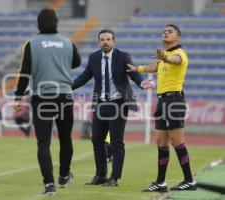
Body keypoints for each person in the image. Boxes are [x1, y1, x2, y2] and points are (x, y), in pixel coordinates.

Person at [72, 29, 154, 187]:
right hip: (101, 104)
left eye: (108, 39)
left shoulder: (123, 56)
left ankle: (114, 178)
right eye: (102, 39)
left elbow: (133, 73)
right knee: (96, 140)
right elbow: (84, 76)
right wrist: (68, 87)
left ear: (113, 41)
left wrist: (143, 83)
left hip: (118, 104)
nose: (105, 42)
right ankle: (101, 175)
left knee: (116, 142)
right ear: (99, 42)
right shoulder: (94, 57)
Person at [14, 8, 81, 195]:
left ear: (38, 23)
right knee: (65, 138)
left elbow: (25, 72)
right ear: (56, 22)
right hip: (64, 96)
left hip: (42, 97)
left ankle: (49, 184)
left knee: (43, 143)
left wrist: (18, 96)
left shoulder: (32, 44)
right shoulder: (68, 42)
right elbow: (76, 62)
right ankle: (64, 175)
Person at [127, 24, 197, 192]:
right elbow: (156, 66)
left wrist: (164, 57)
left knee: (177, 141)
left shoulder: (179, 54)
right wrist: (137, 69)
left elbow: (173, 60)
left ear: (177, 38)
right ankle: (160, 182)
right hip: (162, 101)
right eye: (164, 31)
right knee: (161, 142)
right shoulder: (166, 56)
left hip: (174, 100)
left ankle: (189, 180)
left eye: (170, 31)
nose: (165, 33)